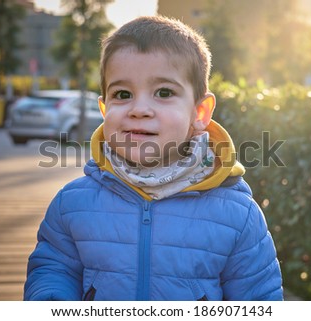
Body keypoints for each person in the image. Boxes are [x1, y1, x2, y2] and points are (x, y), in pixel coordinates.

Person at [24, 15, 283, 301]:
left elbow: (259, 299)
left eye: (163, 92)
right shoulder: (72, 205)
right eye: (122, 94)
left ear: (199, 113)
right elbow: (52, 272)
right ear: (104, 108)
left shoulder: (237, 215)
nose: (139, 109)